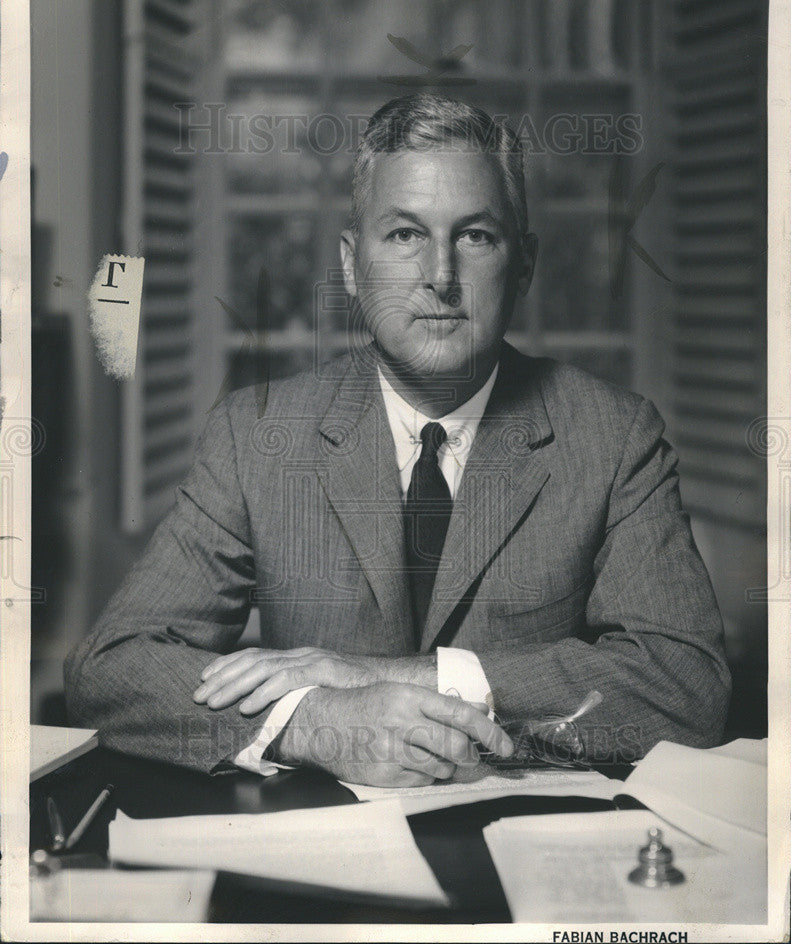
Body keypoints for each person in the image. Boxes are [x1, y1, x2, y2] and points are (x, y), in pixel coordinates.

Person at [64, 94, 731, 786]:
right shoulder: (255, 433)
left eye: (474, 236)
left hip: (523, 848)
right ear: (353, 266)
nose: (439, 278)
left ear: (523, 265)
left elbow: (684, 687)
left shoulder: (614, 436)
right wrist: (316, 721)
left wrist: (395, 677)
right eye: (404, 235)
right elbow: (112, 668)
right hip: (319, 855)